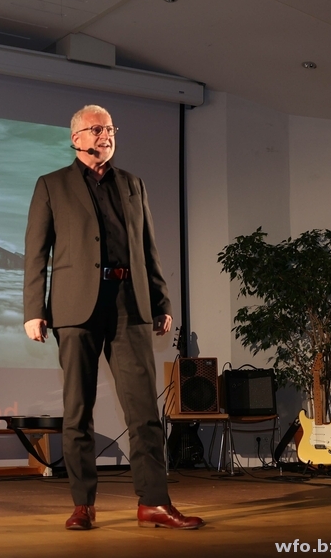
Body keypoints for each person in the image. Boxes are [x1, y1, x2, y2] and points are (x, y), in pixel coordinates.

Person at [22, 104, 204, 530]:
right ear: (76, 138)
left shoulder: (132, 184)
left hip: (129, 303)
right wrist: (34, 310)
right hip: (75, 307)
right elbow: (36, 252)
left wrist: (161, 302)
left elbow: (147, 247)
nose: (106, 135)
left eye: (110, 129)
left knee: (143, 411)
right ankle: (83, 504)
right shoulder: (51, 185)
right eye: (96, 129)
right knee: (77, 411)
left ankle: (154, 503)